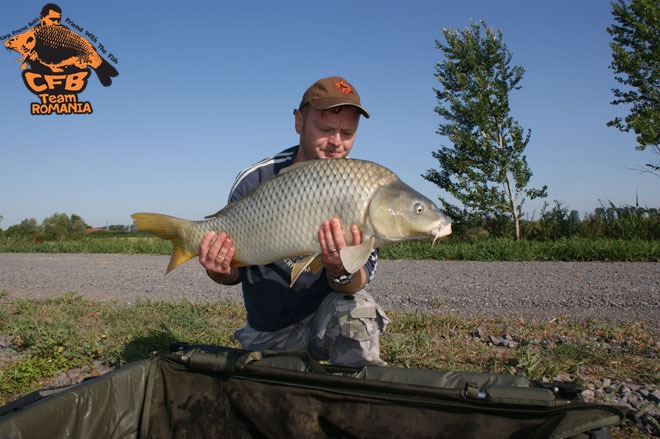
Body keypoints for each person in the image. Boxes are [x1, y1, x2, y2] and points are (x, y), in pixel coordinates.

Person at [198, 76, 390, 367]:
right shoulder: (256, 180)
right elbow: (235, 273)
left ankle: (350, 393)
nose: (336, 142)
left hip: (325, 322)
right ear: (299, 122)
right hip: (270, 332)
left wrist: (339, 270)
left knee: (358, 308)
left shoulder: (361, 187)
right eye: (325, 129)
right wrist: (219, 270)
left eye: (347, 133)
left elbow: (359, 279)